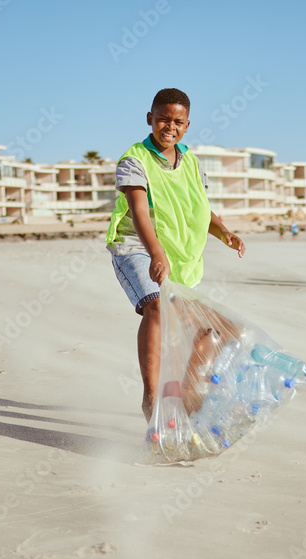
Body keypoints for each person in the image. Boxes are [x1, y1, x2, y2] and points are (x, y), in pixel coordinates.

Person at [106, 88, 246, 421]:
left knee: (218, 331)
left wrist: (223, 231)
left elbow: (199, 207)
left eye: (178, 121)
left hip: (178, 255)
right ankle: (151, 399)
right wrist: (156, 253)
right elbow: (139, 212)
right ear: (150, 119)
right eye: (163, 119)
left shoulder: (192, 161)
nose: (170, 126)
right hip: (137, 247)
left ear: (187, 125)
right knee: (155, 305)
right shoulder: (134, 159)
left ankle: (191, 398)